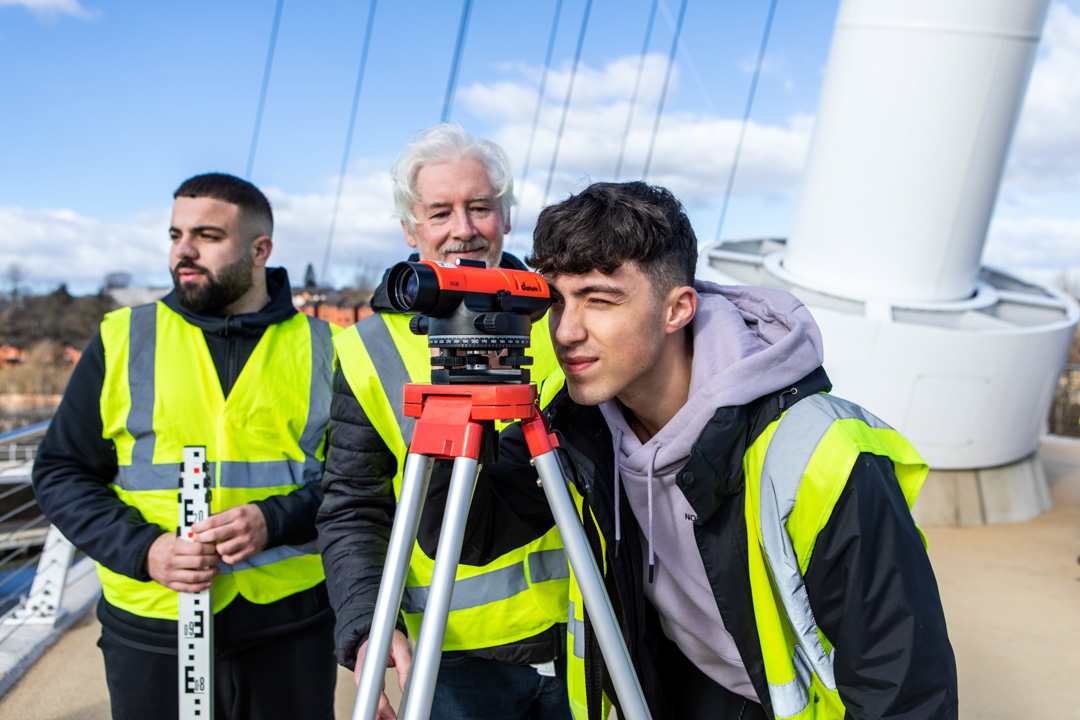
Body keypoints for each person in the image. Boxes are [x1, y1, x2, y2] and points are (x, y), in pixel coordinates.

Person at [422, 180, 959, 719]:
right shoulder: (579, 425)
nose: (565, 331)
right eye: (557, 301)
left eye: (599, 300)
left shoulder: (820, 454)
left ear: (678, 308)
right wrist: (463, 400)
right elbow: (468, 533)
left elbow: (902, 686)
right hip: (673, 688)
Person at [33, 173, 339, 720]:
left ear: (259, 249)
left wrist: (276, 519)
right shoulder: (122, 337)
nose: (184, 252)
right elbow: (62, 471)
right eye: (175, 235)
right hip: (151, 625)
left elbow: (359, 479)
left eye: (207, 236)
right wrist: (144, 550)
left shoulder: (325, 347)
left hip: (290, 626)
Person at [317, 124, 570, 720]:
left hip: (585, 634)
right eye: (440, 212)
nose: (464, 228)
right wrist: (366, 629)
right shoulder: (368, 348)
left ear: (505, 218)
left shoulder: (565, 314)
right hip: (451, 659)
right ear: (411, 229)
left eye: (480, 207)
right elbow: (354, 504)